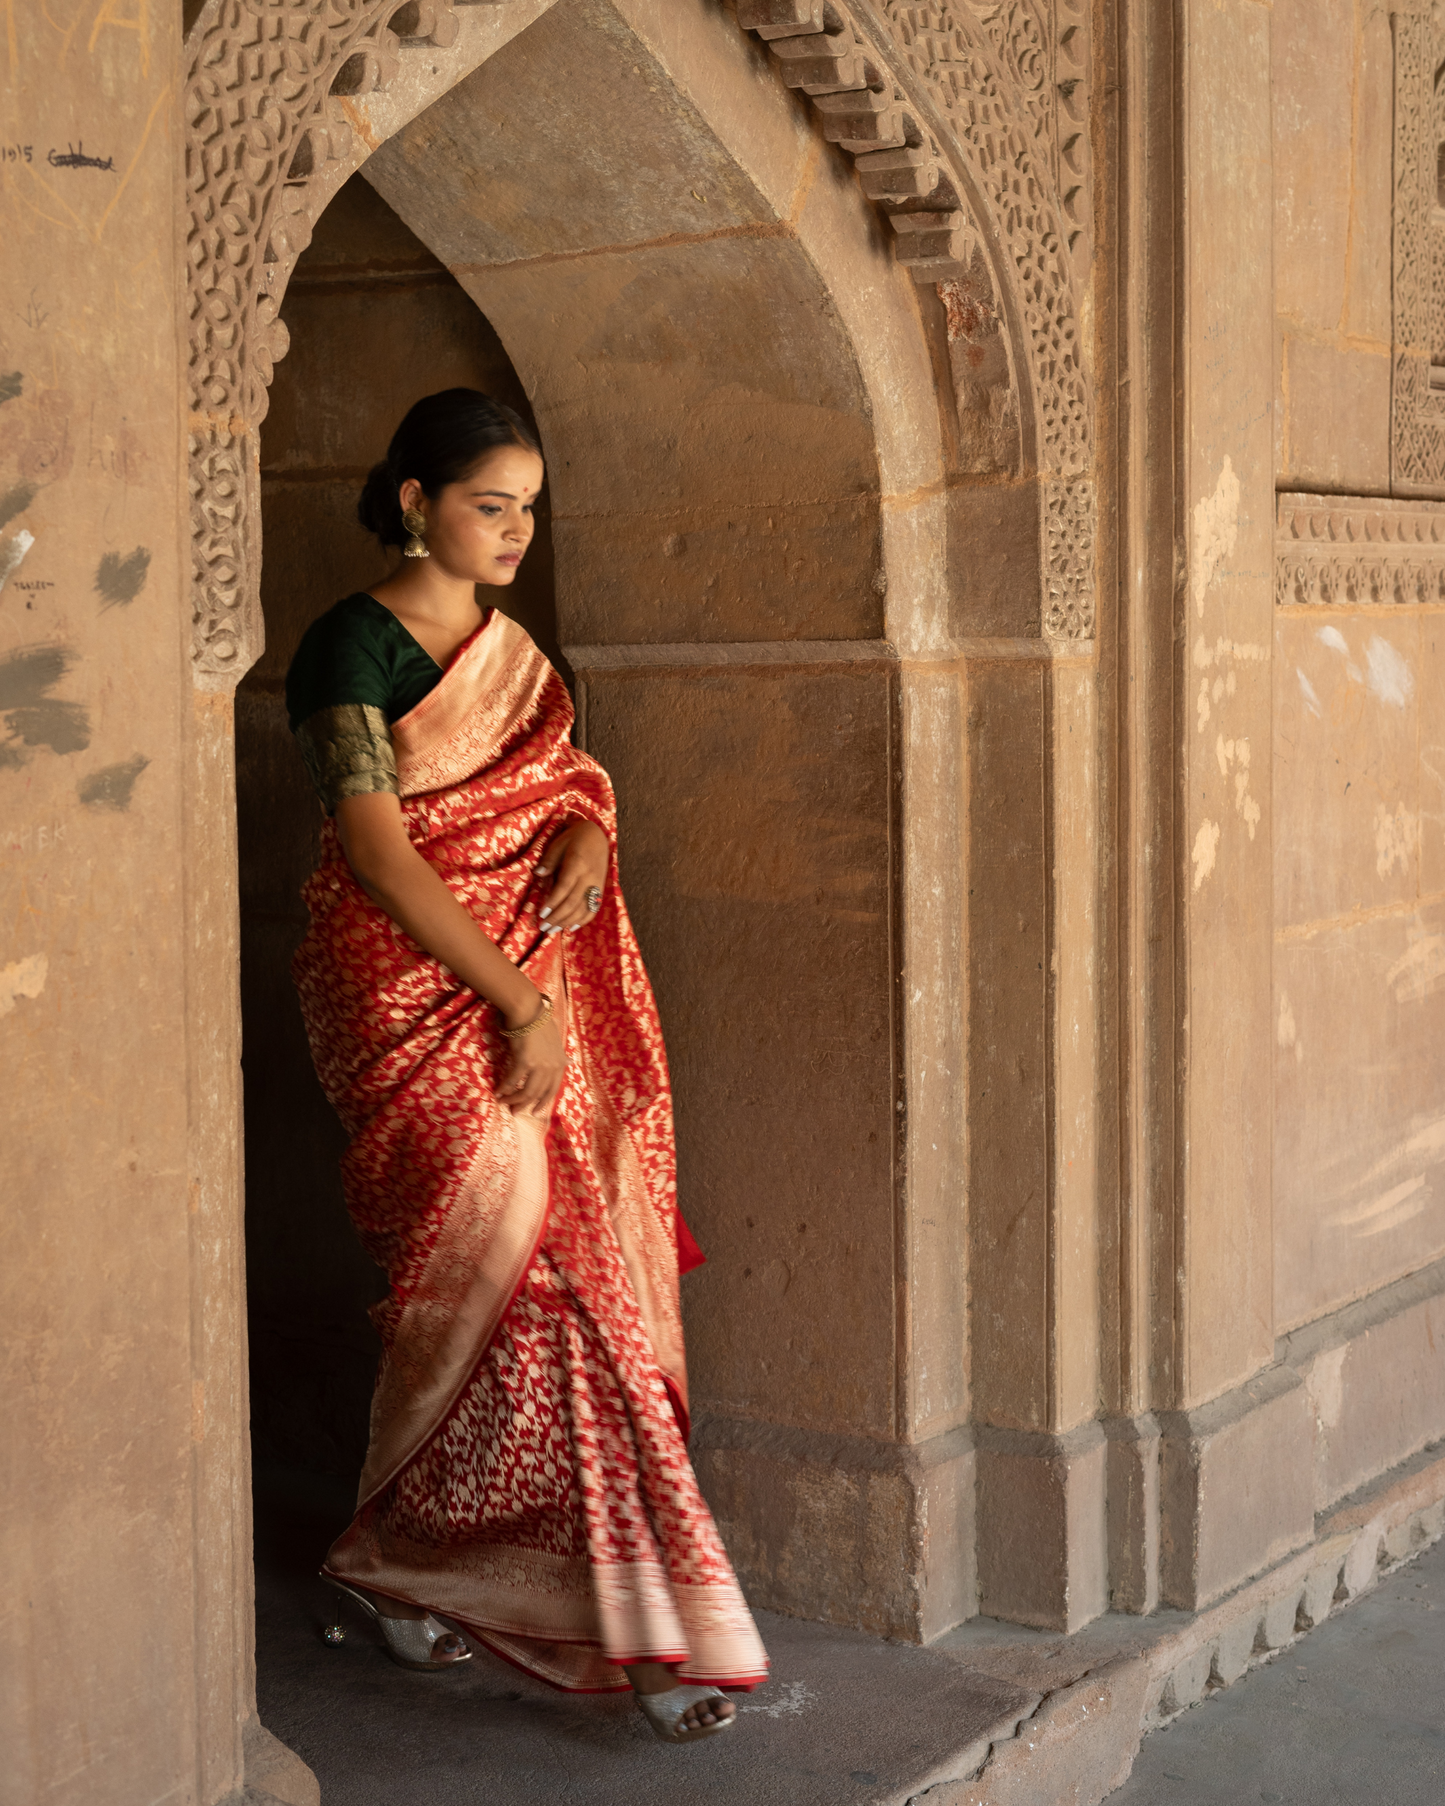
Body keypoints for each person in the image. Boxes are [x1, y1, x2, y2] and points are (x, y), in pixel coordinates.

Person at [284, 388, 767, 1742]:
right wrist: (519, 1007)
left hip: (519, 981)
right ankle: (625, 1625)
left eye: (528, 508)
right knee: (483, 1283)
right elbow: (379, 852)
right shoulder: (349, 649)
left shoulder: (516, 654)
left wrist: (588, 843)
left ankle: (434, 1569)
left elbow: (570, 787)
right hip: (405, 995)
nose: (514, 530)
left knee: (563, 1291)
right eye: (488, 503)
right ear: (413, 502)